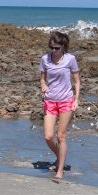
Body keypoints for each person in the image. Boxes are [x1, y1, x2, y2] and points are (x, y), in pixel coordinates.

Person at [39, 31, 81, 180]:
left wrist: (76, 99)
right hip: (50, 101)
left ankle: (60, 170)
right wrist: (43, 85)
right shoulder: (45, 59)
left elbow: (76, 81)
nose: (54, 50)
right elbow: (42, 79)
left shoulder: (71, 59)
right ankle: (60, 157)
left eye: (57, 48)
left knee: (61, 136)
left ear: (63, 46)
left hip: (66, 101)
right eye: (52, 47)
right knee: (48, 136)